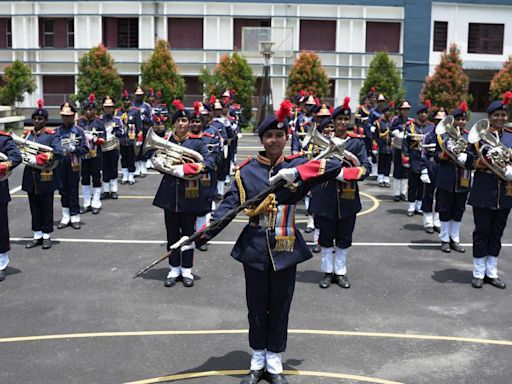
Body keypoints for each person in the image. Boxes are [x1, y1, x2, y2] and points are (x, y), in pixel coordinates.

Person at [190, 100, 342, 384]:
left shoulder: (297, 163)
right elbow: (229, 207)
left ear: (286, 138)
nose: (274, 140)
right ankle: (257, 359)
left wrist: (296, 173)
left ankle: (274, 363)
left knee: (281, 305)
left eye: (279, 135)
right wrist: (199, 236)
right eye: (269, 136)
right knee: (256, 305)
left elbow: (334, 165)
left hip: (286, 245)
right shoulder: (247, 171)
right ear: (261, 139)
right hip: (255, 246)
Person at [309, 97, 371, 290]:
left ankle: (340, 272)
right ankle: (327, 272)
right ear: (333, 122)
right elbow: (312, 166)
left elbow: (366, 167)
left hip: (348, 197)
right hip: (325, 196)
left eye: (346, 119)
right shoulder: (323, 142)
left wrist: (347, 173)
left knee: (344, 237)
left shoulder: (356, 144)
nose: (343, 123)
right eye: (339, 120)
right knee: (326, 237)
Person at [153, 100, 215, 287]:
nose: (181, 123)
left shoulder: (197, 143)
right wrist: (159, 164)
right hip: (170, 195)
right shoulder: (167, 142)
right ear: (174, 123)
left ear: (189, 123)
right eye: (178, 120)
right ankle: (174, 269)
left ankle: (186, 270)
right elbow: (158, 159)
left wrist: (186, 168)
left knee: (188, 234)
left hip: (191, 194)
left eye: (184, 120)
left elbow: (210, 163)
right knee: (172, 233)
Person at [466, 94, 512, 289]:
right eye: (496, 115)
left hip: (506, 192)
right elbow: (468, 162)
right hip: (484, 191)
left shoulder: (510, 137)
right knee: (481, 231)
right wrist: (485, 162)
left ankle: (491, 272)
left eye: (503, 115)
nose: (500, 118)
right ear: (490, 117)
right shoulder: (477, 138)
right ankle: (478, 272)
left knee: (497, 232)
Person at [432, 101, 471, 253]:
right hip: (447, 177)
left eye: (463, 119)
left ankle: (455, 239)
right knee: (445, 209)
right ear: (452, 121)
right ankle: (444, 239)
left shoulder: (469, 137)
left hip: (464, 177)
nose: (461, 122)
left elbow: (473, 157)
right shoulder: (442, 136)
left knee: (459, 209)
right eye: (458, 119)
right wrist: (442, 156)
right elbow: (435, 155)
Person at [23, 100, 63, 249]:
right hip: (30, 177)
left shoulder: (52, 135)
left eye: (40, 119)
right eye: (35, 119)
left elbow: (58, 152)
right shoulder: (27, 135)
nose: (37, 121)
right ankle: (37, 234)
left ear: (46, 121)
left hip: (46, 175)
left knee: (46, 206)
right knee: (33, 207)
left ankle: (46, 235)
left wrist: (39, 158)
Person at [56, 102, 89, 230]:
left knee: (73, 190)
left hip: (74, 164)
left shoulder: (79, 131)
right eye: (64, 115)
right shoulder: (57, 131)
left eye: (68, 116)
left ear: (73, 116)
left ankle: (75, 215)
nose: (66, 118)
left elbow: (85, 148)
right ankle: (65, 215)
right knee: (63, 190)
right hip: (60, 165)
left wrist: (74, 148)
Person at [402, 103, 435, 217]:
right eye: (421, 113)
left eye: (425, 113)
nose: (424, 115)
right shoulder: (411, 126)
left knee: (423, 184)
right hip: (414, 156)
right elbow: (405, 143)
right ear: (418, 114)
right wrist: (405, 156)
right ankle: (411, 205)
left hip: (426, 158)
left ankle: (419, 205)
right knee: (413, 183)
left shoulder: (431, 127)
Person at [76, 93, 106, 214]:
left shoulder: (99, 122)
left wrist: (94, 139)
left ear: (95, 110)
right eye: (86, 109)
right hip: (83, 155)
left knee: (96, 177)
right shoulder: (79, 122)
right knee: (84, 178)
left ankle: (96, 201)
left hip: (96, 154)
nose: (88, 112)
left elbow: (104, 139)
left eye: (91, 109)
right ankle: (87, 202)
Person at [0, 129, 22, 281]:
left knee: (0, 228)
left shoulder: (3, 139)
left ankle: (1, 263)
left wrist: (4, 165)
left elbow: (16, 156)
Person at [100, 96, 124, 199]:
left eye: (110, 107)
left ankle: (114, 190)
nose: (108, 109)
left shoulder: (117, 119)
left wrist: (116, 131)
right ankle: (106, 190)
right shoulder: (100, 119)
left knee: (113, 168)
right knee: (104, 169)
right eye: (106, 107)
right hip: (102, 148)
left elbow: (123, 131)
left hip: (114, 147)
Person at [116, 90, 142, 185]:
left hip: (131, 138)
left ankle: (131, 175)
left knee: (131, 157)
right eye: (124, 100)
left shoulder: (135, 112)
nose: (126, 102)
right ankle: (125, 174)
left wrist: (139, 139)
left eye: (127, 100)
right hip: (122, 138)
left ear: (130, 101)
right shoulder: (118, 112)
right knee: (123, 157)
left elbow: (139, 126)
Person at [132, 86, 153, 178]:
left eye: (140, 95)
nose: (139, 97)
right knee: (136, 149)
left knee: (144, 147)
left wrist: (145, 118)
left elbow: (151, 119)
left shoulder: (147, 106)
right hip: (134, 130)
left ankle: (143, 167)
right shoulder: (132, 105)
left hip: (144, 128)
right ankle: (137, 168)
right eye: (137, 95)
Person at [374, 104, 393, 187]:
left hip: (390, 146)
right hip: (381, 145)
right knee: (381, 161)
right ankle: (381, 177)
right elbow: (375, 135)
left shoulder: (391, 122)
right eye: (387, 111)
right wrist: (374, 146)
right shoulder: (378, 123)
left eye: (389, 111)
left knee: (388, 162)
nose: (388, 113)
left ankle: (386, 178)